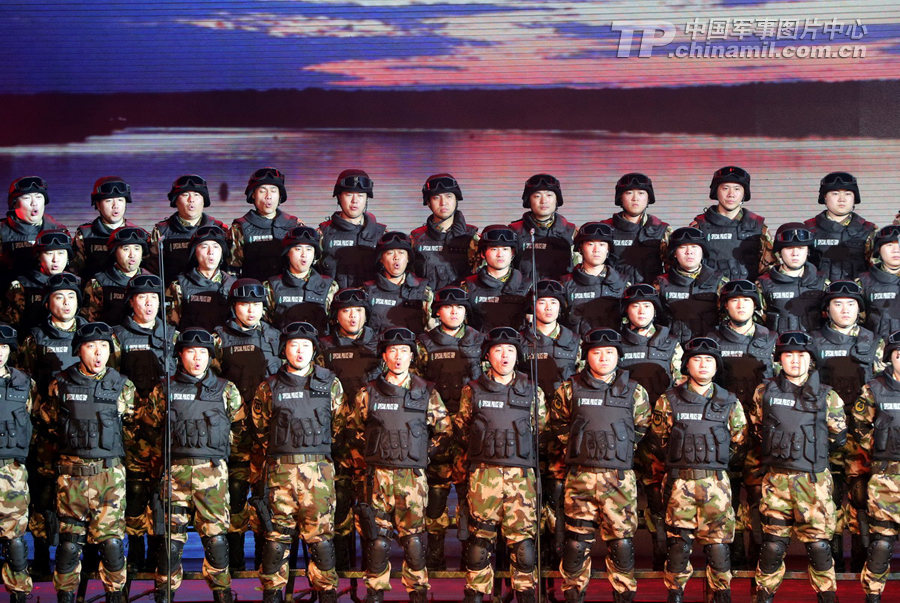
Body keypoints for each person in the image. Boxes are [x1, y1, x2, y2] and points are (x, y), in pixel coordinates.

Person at [347, 327, 452, 603]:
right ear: (384, 356)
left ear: (411, 356)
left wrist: (422, 454)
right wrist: (371, 455)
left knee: (414, 539)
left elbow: (444, 431)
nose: (398, 357)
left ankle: (417, 591)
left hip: (412, 477)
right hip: (377, 477)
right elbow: (353, 430)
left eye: (404, 351)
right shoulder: (368, 393)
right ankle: (375, 592)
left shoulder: (426, 392)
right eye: (392, 351)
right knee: (377, 539)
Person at [549, 328, 651, 603]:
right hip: (580, 476)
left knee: (621, 543)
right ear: (587, 356)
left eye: (609, 352)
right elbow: (558, 424)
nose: (603, 358)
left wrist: (617, 449)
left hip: (618, 478)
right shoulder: (569, 389)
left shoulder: (635, 391)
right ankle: (573, 594)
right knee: (575, 542)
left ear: (618, 356)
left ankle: (623, 595)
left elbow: (641, 427)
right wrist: (578, 446)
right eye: (596, 353)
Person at [641, 337, 747, 603]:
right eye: (696, 359)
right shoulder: (668, 400)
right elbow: (658, 441)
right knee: (678, 546)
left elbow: (739, 441)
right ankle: (675, 594)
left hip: (716, 483)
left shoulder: (729, 401)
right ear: (686, 365)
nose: (703, 364)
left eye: (709, 360)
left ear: (717, 366)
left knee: (719, 547)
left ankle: (721, 595)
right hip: (679, 483)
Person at [144, 328, 243, 603]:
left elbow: (241, 431)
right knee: (170, 543)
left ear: (211, 356)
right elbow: (150, 430)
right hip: (174, 474)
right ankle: (164, 593)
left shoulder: (226, 389)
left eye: (202, 353)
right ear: (180, 355)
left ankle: (222, 593)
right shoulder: (164, 389)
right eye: (190, 352)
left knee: (216, 541)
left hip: (212, 473)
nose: (197, 358)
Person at [38, 322, 136, 603]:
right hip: (71, 479)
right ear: (79, 350)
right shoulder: (60, 384)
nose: (98, 353)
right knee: (69, 547)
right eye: (91, 346)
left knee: (113, 545)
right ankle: (66, 597)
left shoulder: (123, 386)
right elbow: (48, 427)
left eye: (104, 346)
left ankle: (115, 596)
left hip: (109, 477)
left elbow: (132, 433)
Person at [747, 331, 846, 603]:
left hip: (813, 481)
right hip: (776, 479)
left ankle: (827, 595)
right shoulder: (764, 391)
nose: (795, 360)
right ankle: (763, 595)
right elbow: (758, 429)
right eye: (788, 355)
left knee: (819, 545)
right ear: (779, 359)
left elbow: (837, 437)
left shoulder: (828, 395)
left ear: (810, 359)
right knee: (772, 545)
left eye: (801, 355)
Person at [250, 322, 346, 603]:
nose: (300, 351)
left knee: (321, 541)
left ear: (314, 350)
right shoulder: (269, 386)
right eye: (294, 345)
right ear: (284, 350)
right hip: (280, 473)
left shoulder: (330, 384)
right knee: (275, 541)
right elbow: (260, 429)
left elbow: (339, 426)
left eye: (306, 346)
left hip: (319, 474)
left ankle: (326, 594)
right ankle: (272, 595)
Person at [454, 327, 548, 603]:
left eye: (510, 350)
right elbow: (462, 430)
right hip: (484, 475)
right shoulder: (472, 390)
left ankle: (525, 594)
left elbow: (542, 430)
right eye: (498, 350)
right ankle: (475, 595)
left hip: (522, 476)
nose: (504, 355)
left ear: (518, 355)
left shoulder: (532, 390)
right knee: (479, 543)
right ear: (488, 356)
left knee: (523, 545)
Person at [810, 280, 884, 570]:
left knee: (861, 496)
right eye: (838, 304)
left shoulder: (874, 342)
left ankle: (862, 557)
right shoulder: (813, 341)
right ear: (827, 309)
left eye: (851, 304)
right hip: (824, 431)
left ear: (859, 309)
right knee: (828, 494)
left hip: (861, 432)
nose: (845, 309)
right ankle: (833, 559)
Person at [19, 273, 87, 574]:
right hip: (47, 429)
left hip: (83, 429)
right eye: (59, 297)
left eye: (71, 297)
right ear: (48, 302)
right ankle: (42, 554)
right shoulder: (35, 338)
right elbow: (26, 383)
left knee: (81, 493)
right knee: (45, 493)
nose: (66, 303)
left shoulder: (91, 334)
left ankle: (83, 557)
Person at [213, 279, 282, 571]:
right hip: (236, 433)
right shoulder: (219, 339)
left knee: (268, 496)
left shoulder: (275, 336)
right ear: (234, 307)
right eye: (244, 305)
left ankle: (267, 564)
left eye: (256, 304)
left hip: (269, 432)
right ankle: (237, 564)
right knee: (237, 495)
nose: (251, 310)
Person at [708, 279, 777, 569]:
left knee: (761, 497)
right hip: (724, 430)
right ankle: (733, 556)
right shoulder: (711, 340)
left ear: (755, 306)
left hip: (763, 429)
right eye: (734, 300)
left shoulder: (772, 339)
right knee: (729, 496)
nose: (740, 305)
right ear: (725, 306)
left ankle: (758, 555)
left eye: (746, 300)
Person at [111, 274, 178, 573]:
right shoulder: (117, 337)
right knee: (136, 493)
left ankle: (159, 552)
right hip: (133, 431)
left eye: (154, 298)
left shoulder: (173, 336)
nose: (149, 304)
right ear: (131, 302)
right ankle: (136, 551)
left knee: (163, 494)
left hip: (166, 430)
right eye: (142, 297)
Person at [415, 286, 485, 570]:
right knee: (436, 497)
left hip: (471, 431)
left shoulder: (480, 341)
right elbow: (416, 386)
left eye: (459, 307)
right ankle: (435, 556)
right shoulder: (424, 344)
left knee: (471, 496)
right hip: (437, 431)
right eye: (448, 307)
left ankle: (471, 555)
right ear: (438, 312)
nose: (454, 312)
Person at [319, 287, 382, 570]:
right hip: (337, 438)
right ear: (336, 316)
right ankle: (343, 569)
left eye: (358, 311)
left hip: (372, 437)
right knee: (340, 502)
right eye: (346, 311)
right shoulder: (323, 347)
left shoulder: (381, 345)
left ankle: (372, 569)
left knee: (370, 505)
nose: (353, 317)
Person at [847, 329, 900, 603]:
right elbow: (859, 425)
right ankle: (873, 595)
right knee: (881, 542)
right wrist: (880, 446)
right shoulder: (874, 388)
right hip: (886, 477)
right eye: (899, 355)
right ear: (891, 357)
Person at [0, 324, 38, 603]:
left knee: (15, 540)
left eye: (3, 347)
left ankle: (19, 594)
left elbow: (35, 420)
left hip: (11, 470)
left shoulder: (24, 383)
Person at [690, 166, 773, 281]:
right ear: (716, 191)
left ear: (744, 193)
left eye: (737, 189)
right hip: (709, 290)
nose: (731, 194)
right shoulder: (699, 227)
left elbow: (770, 268)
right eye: (725, 188)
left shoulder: (758, 227)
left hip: (748, 291)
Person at [229, 168, 304, 282]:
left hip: (287, 290)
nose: (268, 196)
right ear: (253, 195)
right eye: (262, 191)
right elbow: (232, 270)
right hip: (253, 291)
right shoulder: (239, 228)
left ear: (280, 195)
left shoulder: (295, 226)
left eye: (273, 191)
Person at [654, 227, 728, 342]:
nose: (689, 252)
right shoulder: (660, 283)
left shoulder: (720, 282)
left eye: (694, 246)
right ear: (674, 253)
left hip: (708, 347)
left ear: (702, 251)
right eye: (682, 247)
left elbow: (729, 320)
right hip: (672, 347)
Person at [148, 175, 228, 279]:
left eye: (196, 195)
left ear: (204, 200)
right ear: (175, 200)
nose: (191, 200)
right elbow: (153, 270)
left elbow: (228, 267)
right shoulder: (161, 231)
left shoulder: (219, 229)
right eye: (185, 195)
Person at [318, 169, 387, 289]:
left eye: (360, 195)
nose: (355, 201)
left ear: (366, 198)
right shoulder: (322, 234)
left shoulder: (382, 236)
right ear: (339, 197)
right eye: (349, 194)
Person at [410, 173, 479, 291]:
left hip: (463, 301)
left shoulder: (473, 238)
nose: (443, 203)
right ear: (428, 202)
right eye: (436, 197)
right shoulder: (415, 239)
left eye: (449, 196)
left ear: (456, 199)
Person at [804, 171, 876, 281]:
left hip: (858, 291)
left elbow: (880, 270)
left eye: (848, 194)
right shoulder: (808, 230)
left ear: (854, 198)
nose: (842, 199)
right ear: (825, 197)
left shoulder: (869, 231)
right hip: (817, 290)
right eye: (835, 194)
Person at [264, 226, 337, 334]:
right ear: (288, 252)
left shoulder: (330, 286)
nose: (304, 255)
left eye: (309, 249)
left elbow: (334, 323)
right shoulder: (270, 287)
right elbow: (266, 326)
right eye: (298, 249)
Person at [756, 223, 827, 334]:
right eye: (789, 248)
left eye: (801, 248)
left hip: (814, 344)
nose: (795, 254)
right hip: (777, 344)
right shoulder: (763, 285)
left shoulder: (823, 283)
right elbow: (756, 325)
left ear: (807, 251)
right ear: (779, 252)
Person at [601, 173, 671, 286]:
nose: (635, 198)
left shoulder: (662, 230)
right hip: (613, 292)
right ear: (620, 197)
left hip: (650, 294)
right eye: (629, 193)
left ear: (648, 197)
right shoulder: (604, 230)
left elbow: (673, 269)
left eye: (641, 193)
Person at [560, 222, 629, 335]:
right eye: (590, 244)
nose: (596, 250)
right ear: (580, 248)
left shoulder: (624, 284)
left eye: (602, 244)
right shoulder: (565, 285)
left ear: (608, 249)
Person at [0, 176, 68, 290]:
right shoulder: (2, 231)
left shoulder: (60, 231)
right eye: (27, 198)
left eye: (39, 197)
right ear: (14, 203)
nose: (34, 203)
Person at [3, 229, 77, 335]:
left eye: (61, 253)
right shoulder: (21, 285)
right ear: (38, 256)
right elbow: (9, 326)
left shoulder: (77, 283)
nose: (55, 259)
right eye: (49, 253)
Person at [166, 225, 236, 331]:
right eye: (204, 247)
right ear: (195, 253)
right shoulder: (179, 285)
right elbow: (171, 327)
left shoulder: (233, 285)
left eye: (216, 247)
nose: (210, 252)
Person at [363, 231, 434, 335]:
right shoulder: (366, 291)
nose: (396, 257)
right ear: (381, 259)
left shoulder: (424, 291)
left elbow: (432, 329)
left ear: (408, 258)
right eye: (390, 253)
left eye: (401, 252)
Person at [462, 225, 530, 332]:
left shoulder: (528, 286)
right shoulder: (468, 286)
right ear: (483, 254)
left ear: (512, 253)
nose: (500, 254)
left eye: (505, 249)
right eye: (494, 249)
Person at [509, 174, 576, 281]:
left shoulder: (572, 233)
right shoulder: (513, 232)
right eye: (537, 196)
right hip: (524, 290)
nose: (544, 201)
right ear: (529, 200)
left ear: (557, 199)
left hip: (561, 290)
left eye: (549, 195)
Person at [72, 177, 139, 281]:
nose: (115, 206)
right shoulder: (84, 235)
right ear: (98, 205)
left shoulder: (138, 234)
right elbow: (75, 272)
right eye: (109, 201)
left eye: (120, 200)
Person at [83, 227, 152, 325]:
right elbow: (89, 323)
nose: (132, 255)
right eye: (126, 249)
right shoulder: (99, 283)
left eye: (137, 249)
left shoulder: (153, 282)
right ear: (115, 252)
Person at [859, 225, 900, 339]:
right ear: (878, 249)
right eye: (889, 245)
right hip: (878, 347)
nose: (896, 250)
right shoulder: (863, 282)